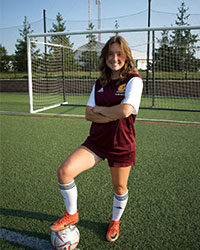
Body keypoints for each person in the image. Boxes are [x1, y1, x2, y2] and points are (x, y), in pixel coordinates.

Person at [50, 35, 143, 242]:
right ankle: (72, 214)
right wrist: (110, 112)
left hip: (121, 144)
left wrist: (101, 110)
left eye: (119, 53)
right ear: (104, 57)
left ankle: (115, 220)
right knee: (65, 172)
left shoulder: (133, 80)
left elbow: (126, 111)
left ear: (126, 56)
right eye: (110, 54)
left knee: (119, 188)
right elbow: (88, 114)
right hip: (96, 142)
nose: (114, 58)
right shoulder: (99, 82)